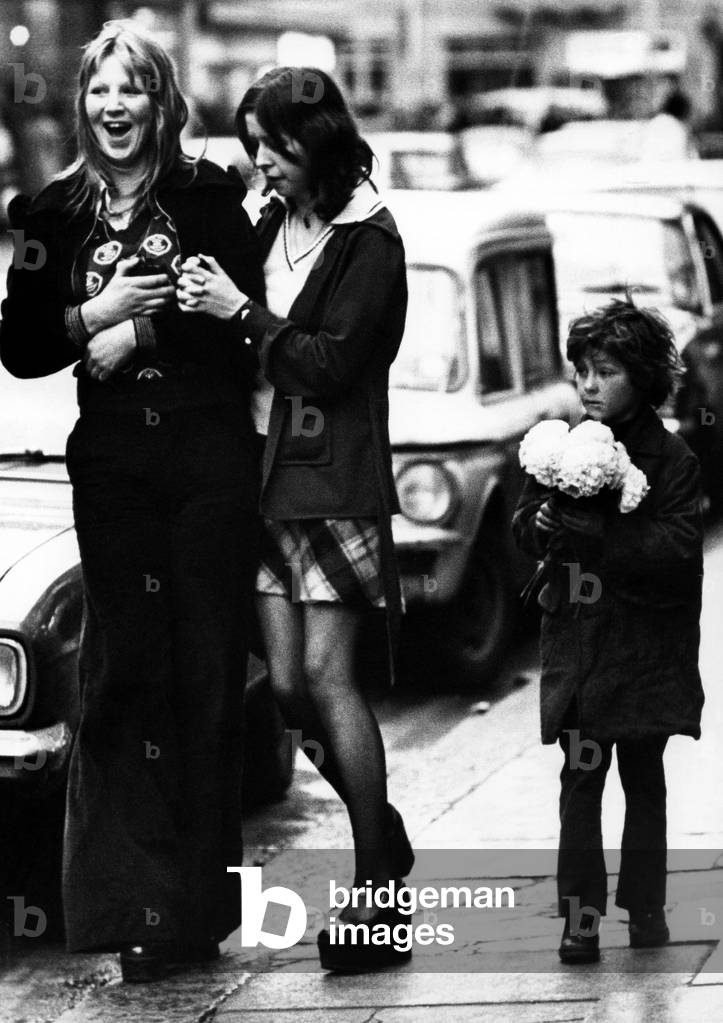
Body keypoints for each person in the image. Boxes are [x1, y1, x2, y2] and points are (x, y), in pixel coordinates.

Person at [0, 22, 264, 982]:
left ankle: (193, 913)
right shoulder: (49, 213)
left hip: (206, 462)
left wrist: (143, 332)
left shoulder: (208, 196)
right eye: (102, 90)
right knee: (127, 681)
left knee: (204, 678)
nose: (116, 107)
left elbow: (237, 334)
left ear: (162, 103)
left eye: (135, 90)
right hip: (112, 472)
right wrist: (93, 319)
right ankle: (137, 902)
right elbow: (24, 346)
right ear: (83, 102)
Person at [176, 66, 413, 972]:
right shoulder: (270, 220)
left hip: (334, 481)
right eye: (253, 150)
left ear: (313, 144)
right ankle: (378, 827)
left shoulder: (370, 243)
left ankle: (377, 895)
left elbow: (328, 362)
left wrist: (243, 315)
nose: (261, 165)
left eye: (272, 148)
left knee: (328, 674)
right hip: (267, 478)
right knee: (281, 687)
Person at [512, 295, 704, 964]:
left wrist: (602, 534)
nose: (588, 385)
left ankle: (645, 904)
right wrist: (536, 526)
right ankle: (579, 917)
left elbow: (677, 551)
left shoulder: (670, 458)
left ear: (643, 375)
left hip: (645, 651)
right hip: (581, 650)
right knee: (580, 780)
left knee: (644, 780)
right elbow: (526, 519)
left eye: (604, 371)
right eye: (581, 371)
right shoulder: (564, 445)